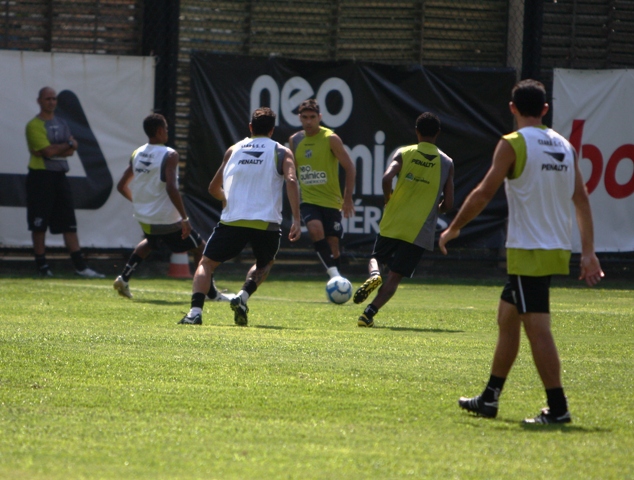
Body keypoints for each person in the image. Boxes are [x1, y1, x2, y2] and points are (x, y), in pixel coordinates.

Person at [439, 79, 604, 424]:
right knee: (507, 317)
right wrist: (588, 251)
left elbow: (485, 192)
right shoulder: (564, 145)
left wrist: (454, 227)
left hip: (529, 249)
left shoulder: (512, 143)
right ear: (545, 110)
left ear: (512, 108)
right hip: (552, 246)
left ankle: (558, 409)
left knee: (537, 328)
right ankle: (489, 398)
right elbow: (582, 199)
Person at [179, 107, 301, 326]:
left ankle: (195, 312)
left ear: (251, 127)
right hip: (266, 222)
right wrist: (297, 220)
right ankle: (242, 296)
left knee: (206, 264)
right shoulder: (282, 152)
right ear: (272, 130)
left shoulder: (233, 150)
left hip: (233, 219)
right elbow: (292, 181)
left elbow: (213, 188)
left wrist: (228, 199)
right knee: (265, 263)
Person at [113, 113, 231, 301]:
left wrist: (140, 203)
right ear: (160, 131)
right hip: (167, 218)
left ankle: (124, 278)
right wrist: (184, 218)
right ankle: (210, 292)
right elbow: (171, 187)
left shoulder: (137, 153)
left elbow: (121, 186)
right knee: (202, 249)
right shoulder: (170, 154)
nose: (167, 132)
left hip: (144, 216)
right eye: (166, 128)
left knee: (151, 243)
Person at [354, 112, 454, 327]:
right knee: (396, 275)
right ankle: (367, 314)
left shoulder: (404, 153)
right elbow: (450, 203)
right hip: (420, 228)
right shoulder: (447, 162)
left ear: (416, 131)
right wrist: (438, 209)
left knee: (377, 257)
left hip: (395, 219)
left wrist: (388, 199)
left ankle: (374, 274)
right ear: (437, 133)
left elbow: (387, 178)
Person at [25, 86, 104, 278]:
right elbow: (47, 152)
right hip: (40, 177)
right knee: (39, 223)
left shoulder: (62, 123)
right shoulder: (34, 125)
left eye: (54, 99)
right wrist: (66, 145)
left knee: (69, 223)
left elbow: (70, 150)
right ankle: (42, 266)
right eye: (47, 99)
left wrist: (62, 147)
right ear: (39, 101)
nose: (51, 102)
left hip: (60, 176)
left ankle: (80, 266)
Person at [288, 99, 356, 279]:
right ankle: (336, 278)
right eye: (304, 117)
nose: (308, 121)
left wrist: (347, 198)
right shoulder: (295, 140)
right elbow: (292, 172)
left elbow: (350, 167)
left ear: (320, 117)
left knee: (333, 244)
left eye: (312, 117)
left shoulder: (330, 138)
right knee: (314, 229)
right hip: (308, 199)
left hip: (332, 200)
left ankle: (338, 278)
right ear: (299, 118)